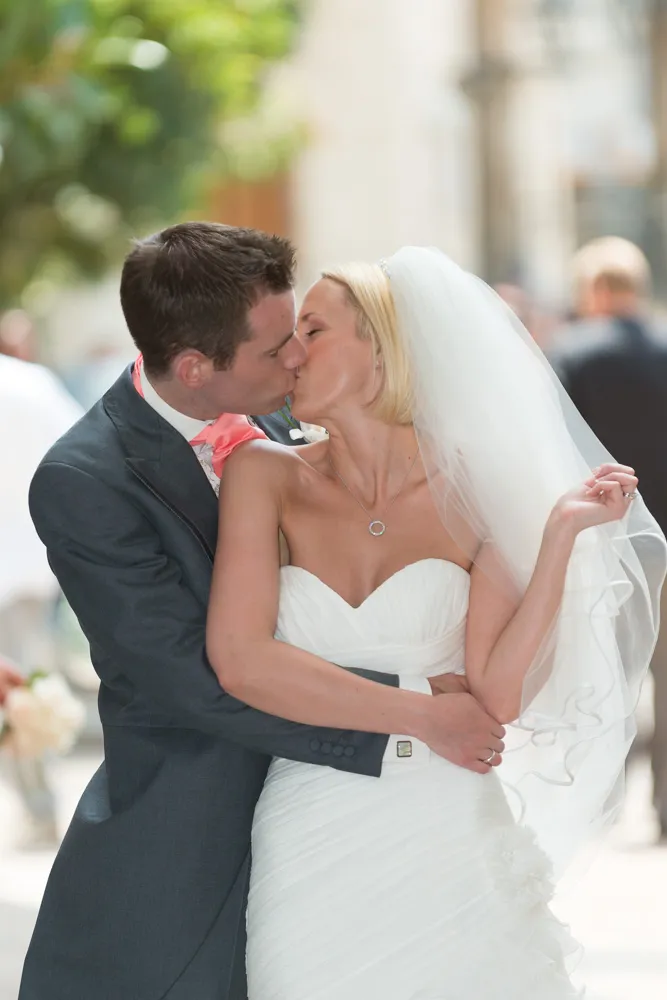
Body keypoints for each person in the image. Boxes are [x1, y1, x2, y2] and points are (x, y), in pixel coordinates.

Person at [20, 224, 504, 1000]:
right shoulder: (85, 478)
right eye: (278, 347)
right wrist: (412, 711)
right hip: (194, 831)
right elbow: (190, 680)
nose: (298, 358)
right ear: (193, 367)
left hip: (362, 824)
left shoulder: (290, 415)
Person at [207, 247, 665, 998]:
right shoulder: (260, 474)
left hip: (446, 829)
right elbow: (241, 661)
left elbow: (495, 697)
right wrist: (424, 713)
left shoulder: (473, 486)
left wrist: (554, 542)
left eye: (313, 331)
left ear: (384, 352)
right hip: (307, 823)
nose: (289, 353)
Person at [550, 236, 667, 840]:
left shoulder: (570, 351)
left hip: (605, 543)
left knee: (605, 672)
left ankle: (603, 801)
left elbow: (553, 446)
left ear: (593, 290)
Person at [0, 351, 83, 845]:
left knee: (20, 691)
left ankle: (39, 806)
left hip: (23, 564)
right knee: (26, 690)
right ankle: (40, 805)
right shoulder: (34, 384)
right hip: (31, 563)